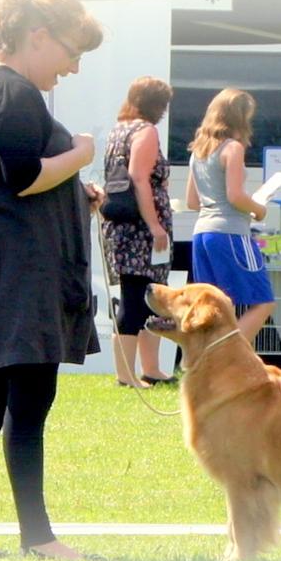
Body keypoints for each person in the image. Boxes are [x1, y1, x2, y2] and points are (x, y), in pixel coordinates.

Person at [0, 0, 105, 561]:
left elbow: (22, 176)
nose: (73, 67)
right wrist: (82, 155)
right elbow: (24, 176)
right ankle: (38, 538)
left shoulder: (3, 88)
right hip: (15, 266)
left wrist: (74, 188)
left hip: (12, 262)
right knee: (27, 398)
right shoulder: (9, 90)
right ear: (38, 36)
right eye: (71, 52)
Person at [101, 76, 176, 388]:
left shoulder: (119, 130)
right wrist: (155, 224)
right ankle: (127, 374)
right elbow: (139, 177)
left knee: (146, 296)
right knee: (138, 298)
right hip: (139, 230)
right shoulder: (146, 131)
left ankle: (150, 368)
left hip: (120, 227)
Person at [186, 88, 275, 343]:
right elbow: (235, 196)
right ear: (239, 117)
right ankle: (226, 353)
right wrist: (258, 209)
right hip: (230, 233)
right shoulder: (233, 148)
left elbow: (193, 201)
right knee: (263, 302)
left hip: (202, 233)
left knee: (214, 308)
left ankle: (208, 359)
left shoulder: (198, 151)